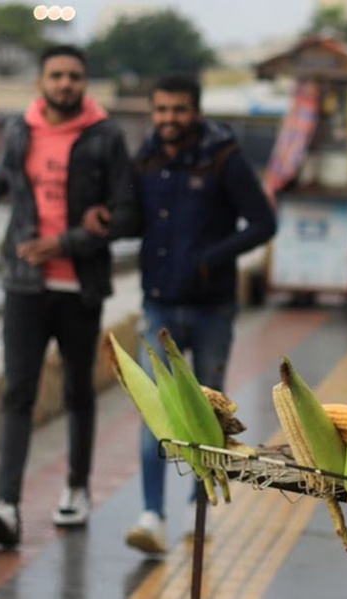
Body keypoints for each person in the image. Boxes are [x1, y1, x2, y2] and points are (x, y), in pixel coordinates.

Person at [0, 45, 137, 548]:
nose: (66, 84)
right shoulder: (19, 128)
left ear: (85, 83)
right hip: (24, 283)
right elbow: (6, 178)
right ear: (41, 82)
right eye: (57, 75)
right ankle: (6, 503)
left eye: (74, 76)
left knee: (77, 391)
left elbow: (127, 210)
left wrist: (68, 241)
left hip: (80, 285)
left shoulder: (107, 135)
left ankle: (77, 487)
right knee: (18, 391)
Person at [83, 74, 276, 554]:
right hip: (160, 305)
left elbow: (264, 222)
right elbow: (133, 219)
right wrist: (106, 222)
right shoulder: (145, 158)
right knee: (157, 414)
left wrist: (214, 256)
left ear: (196, 110)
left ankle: (200, 504)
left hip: (213, 308)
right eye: (162, 110)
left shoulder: (224, 157)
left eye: (179, 110)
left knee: (208, 414)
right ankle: (152, 513)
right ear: (153, 111)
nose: (170, 119)